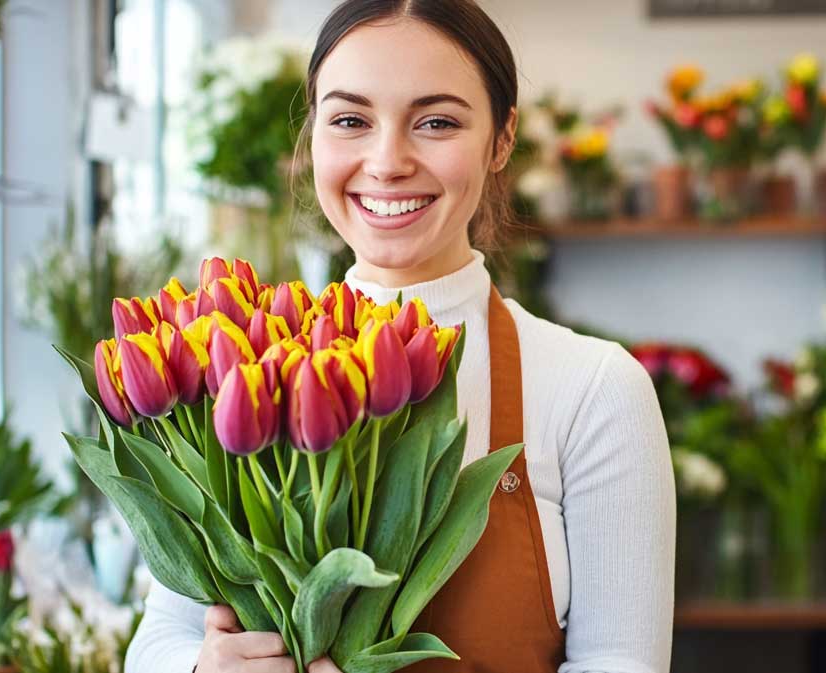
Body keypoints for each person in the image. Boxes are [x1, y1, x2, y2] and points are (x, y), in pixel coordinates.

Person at [124, 1, 675, 671]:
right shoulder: (241, 363)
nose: (387, 163)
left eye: (436, 121)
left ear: (502, 139)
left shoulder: (591, 389)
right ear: (313, 136)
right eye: (351, 120)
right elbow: (158, 638)